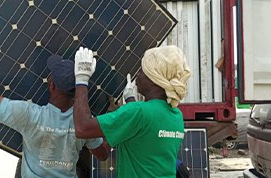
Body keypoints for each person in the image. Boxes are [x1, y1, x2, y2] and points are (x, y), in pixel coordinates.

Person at [0, 31, 109, 178]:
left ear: (51, 85)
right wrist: (111, 119)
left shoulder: (29, 115)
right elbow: (102, 154)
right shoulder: (85, 124)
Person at [73, 46, 191, 177]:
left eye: (142, 71)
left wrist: (81, 79)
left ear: (153, 80)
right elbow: (145, 128)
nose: (137, 76)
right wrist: (129, 98)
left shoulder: (137, 112)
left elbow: (82, 128)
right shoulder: (176, 115)